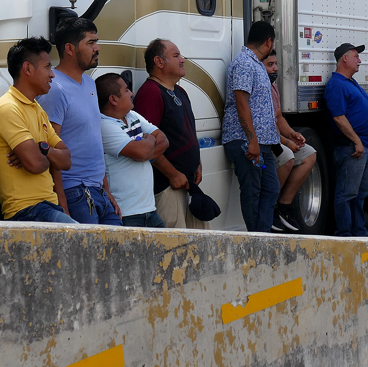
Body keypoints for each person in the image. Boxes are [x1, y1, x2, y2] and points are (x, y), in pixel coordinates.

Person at [38, 18, 121, 225]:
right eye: (91, 43)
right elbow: (51, 146)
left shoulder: (90, 83)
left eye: (96, 42)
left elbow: (94, 140)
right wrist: (62, 201)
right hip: (75, 193)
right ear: (70, 49)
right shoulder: (55, 88)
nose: (97, 48)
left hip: (99, 192)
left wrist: (107, 191)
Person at [0, 37, 76, 223]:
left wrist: (42, 149)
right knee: (88, 244)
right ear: (27, 69)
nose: (52, 75)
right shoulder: (7, 107)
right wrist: (47, 156)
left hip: (47, 208)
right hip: (27, 212)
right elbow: (35, 165)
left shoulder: (38, 110)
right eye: (48, 67)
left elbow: (66, 160)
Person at [135, 38, 209, 229]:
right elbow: (146, 145)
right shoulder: (150, 93)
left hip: (188, 184)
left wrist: (196, 162)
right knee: (174, 248)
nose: (182, 60)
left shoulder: (180, 91)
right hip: (168, 186)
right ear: (159, 62)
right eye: (176, 56)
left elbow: (187, 131)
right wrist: (173, 174)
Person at [222, 21, 281, 233]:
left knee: (271, 189)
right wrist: (252, 141)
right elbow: (241, 102)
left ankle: (261, 235)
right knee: (252, 191)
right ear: (268, 41)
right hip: (248, 145)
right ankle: (256, 241)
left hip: (262, 145)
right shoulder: (244, 63)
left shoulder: (255, 63)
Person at [96, 73, 169, 228]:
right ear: (113, 99)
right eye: (126, 90)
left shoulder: (131, 115)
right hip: (127, 214)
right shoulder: (104, 125)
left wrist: (143, 149)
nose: (131, 93)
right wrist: (148, 139)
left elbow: (163, 140)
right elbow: (142, 152)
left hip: (150, 209)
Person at [324, 42, 368, 237]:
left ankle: (359, 233)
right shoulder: (336, 85)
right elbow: (339, 117)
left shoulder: (351, 83)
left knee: (360, 194)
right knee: (346, 194)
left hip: (364, 147)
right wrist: (357, 140)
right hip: (351, 148)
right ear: (344, 58)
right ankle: (345, 234)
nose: (359, 60)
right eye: (356, 56)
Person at [262, 51, 317, 233]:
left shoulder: (273, 85)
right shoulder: (260, 86)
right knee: (286, 156)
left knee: (309, 153)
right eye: (270, 64)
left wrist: (293, 134)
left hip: (279, 138)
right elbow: (265, 126)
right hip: (267, 140)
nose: (276, 68)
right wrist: (287, 142)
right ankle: (268, 208)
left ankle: (283, 206)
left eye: (276, 64)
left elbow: (279, 118)